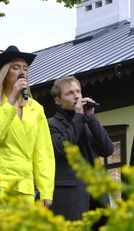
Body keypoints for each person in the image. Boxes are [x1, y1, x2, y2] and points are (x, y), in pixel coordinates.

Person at [0, 45, 54, 212]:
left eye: (25, 68)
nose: (22, 72)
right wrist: (11, 100)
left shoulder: (36, 108)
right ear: (4, 73)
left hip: (24, 185)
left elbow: (43, 152)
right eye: (16, 67)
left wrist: (46, 189)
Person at [47, 76, 114, 220]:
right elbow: (63, 149)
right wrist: (79, 116)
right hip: (71, 199)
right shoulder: (51, 124)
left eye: (78, 91)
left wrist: (91, 118)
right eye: (70, 93)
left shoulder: (86, 120)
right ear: (58, 100)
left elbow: (108, 150)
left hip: (97, 196)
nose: (76, 95)